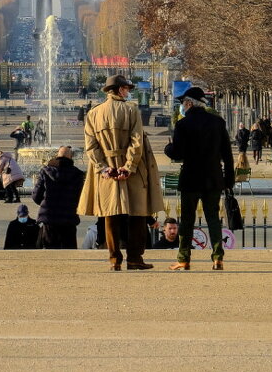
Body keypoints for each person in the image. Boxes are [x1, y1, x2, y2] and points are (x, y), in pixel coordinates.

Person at [77, 74, 163, 271]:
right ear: (119, 90)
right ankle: (134, 258)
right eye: (126, 88)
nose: (128, 92)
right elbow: (137, 141)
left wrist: (103, 167)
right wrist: (129, 166)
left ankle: (114, 259)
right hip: (131, 170)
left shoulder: (94, 113)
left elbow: (91, 147)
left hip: (107, 170)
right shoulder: (131, 110)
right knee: (138, 214)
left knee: (110, 215)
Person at [165, 86, 233, 271]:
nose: (182, 107)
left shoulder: (183, 124)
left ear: (188, 103)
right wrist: (229, 180)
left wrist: (167, 149)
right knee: (213, 218)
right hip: (213, 177)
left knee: (187, 220)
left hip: (191, 178)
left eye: (182, 103)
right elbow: (227, 154)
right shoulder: (218, 122)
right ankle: (218, 257)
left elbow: (177, 153)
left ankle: (184, 258)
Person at [32, 145, 85, 249]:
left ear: (57, 155)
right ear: (71, 157)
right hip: (69, 218)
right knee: (69, 252)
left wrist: (46, 203)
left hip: (49, 217)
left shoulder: (45, 171)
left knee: (50, 252)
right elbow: (81, 198)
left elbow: (36, 195)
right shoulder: (77, 174)